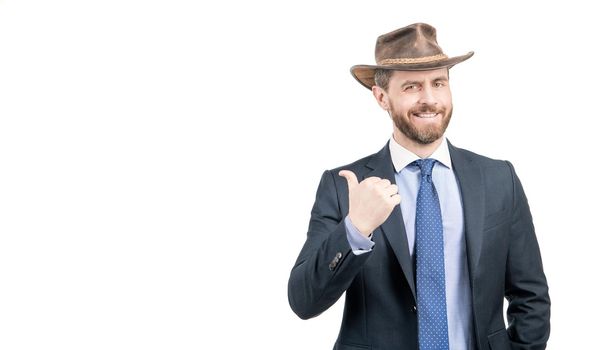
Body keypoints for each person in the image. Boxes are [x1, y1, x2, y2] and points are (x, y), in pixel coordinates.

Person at [287, 23, 550, 350]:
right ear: (381, 97)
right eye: (412, 87)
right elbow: (303, 301)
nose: (430, 99)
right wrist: (356, 228)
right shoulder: (344, 187)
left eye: (438, 83)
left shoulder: (498, 179)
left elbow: (531, 298)